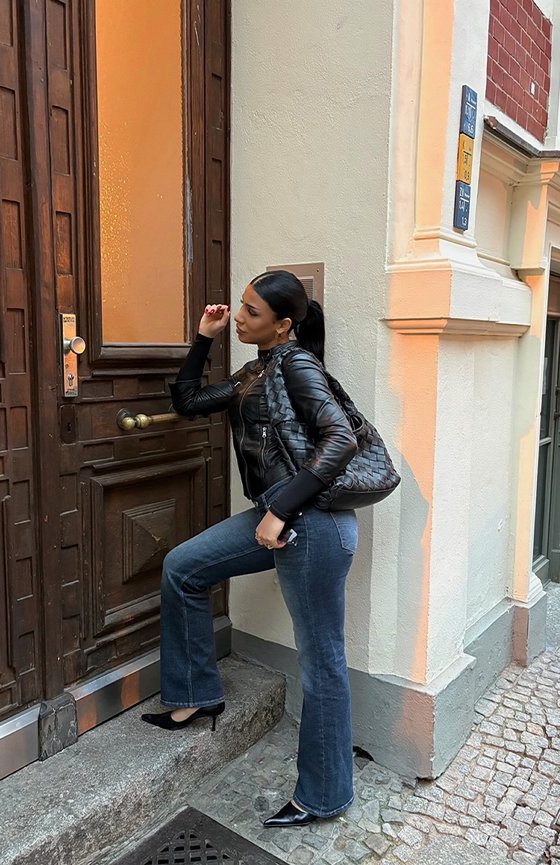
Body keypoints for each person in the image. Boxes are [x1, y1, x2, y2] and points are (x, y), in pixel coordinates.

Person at [141, 270, 359, 827]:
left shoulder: (299, 364)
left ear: (284, 324)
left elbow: (341, 439)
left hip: (311, 528)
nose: (238, 316)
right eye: (240, 306)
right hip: (278, 518)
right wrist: (204, 338)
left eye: (251, 312)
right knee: (183, 568)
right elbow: (190, 400)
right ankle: (195, 694)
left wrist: (281, 509)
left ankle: (324, 794)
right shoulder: (256, 369)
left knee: (322, 664)